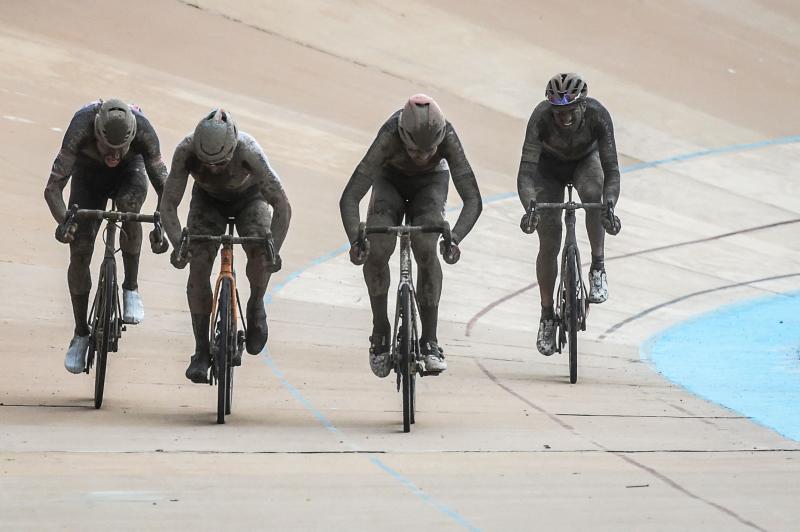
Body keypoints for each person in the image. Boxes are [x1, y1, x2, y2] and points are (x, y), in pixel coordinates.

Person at [340, 94, 482, 377]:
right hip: (389, 180)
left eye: (429, 151)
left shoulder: (448, 138)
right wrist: (356, 240)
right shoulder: (389, 134)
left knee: (425, 245)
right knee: (378, 246)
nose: (422, 156)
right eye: (415, 151)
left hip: (431, 184)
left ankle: (430, 341)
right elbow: (350, 197)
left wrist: (455, 238)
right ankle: (380, 330)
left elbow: (473, 200)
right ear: (402, 135)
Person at [161, 109, 291, 383]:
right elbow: (168, 205)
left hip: (250, 199)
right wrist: (178, 244)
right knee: (197, 268)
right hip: (207, 201)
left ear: (233, 149)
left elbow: (281, 205)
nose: (213, 169)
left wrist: (273, 250)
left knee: (258, 251)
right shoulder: (185, 151)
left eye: (221, 162)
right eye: (207, 163)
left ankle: (256, 304)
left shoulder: (250, 151)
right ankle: (200, 349)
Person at [44, 99, 168, 374]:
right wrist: (65, 221)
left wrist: (161, 225)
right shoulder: (80, 126)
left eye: (120, 149)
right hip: (88, 176)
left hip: (129, 173)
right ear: (96, 132)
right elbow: (53, 189)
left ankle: (131, 287)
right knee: (80, 251)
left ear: (132, 137)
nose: (113, 155)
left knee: (130, 208)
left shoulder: (144, 132)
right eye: (106, 148)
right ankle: (80, 333)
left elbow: (166, 190)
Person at [517, 73, 622, 356]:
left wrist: (609, 204)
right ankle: (547, 315)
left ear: (583, 106)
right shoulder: (540, 117)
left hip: (586, 162)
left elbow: (611, 170)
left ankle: (598, 266)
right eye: (558, 112)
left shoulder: (598, 115)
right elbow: (526, 173)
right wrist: (531, 206)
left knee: (593, 195)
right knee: (549, 240)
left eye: (570, 111)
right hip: (547, 169)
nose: (564, 118)